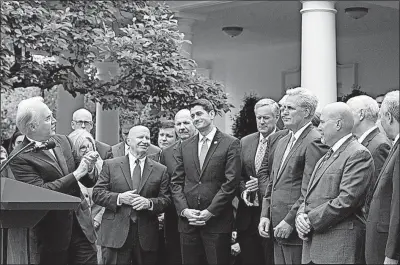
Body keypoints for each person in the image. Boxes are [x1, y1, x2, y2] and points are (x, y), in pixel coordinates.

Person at [9, 97, 98, 265]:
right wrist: (76, 174)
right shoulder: (19, 157)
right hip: (53, 233)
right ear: (33, 126)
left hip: (82, 226)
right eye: (48, 118)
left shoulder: (62, 141)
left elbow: (88, 180)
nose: (55, 120)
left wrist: (89, 166)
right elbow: (41, 191)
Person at [296, 102, 374, 264]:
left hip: (339, 249)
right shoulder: (326, 155)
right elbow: (309, 196)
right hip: (314, 248)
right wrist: (300, 216)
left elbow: (347, 200)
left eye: (323, 122)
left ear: (338, 124)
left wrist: (310, 220)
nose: (319, 127)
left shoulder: (358, 154)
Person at [258, 87, 328, 265]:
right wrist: (265, 215)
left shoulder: (315, 140)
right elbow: (272, 183)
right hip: (275, 225)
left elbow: (310, 191)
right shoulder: (282, 140)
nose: (284, 112)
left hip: (294, 229)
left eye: (290, 108)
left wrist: (289, 221)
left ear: (306, 112)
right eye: (283, 108)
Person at [170, 99, 241, 265]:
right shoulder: (184, 146)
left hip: (217, 222)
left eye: (199, 114)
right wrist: (184, 211)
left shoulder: (230, 143)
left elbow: (230, 183)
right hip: (188, 223)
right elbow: (176, 183)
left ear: (211, 114)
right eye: (193, 115)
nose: (195, 118)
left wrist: (210, 212)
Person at [93, 125, 171, 265]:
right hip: (115, 235)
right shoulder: (111, 165)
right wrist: (119, 198)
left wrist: (149, 203)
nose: (145, 141)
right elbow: (97, 193)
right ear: (128, 141)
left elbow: (166, 200)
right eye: (140, 137)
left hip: (146, 236)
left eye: (147, 138)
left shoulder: (160, 170)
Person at [235, 98, 280, 265]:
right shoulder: (245, 142)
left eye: (266, 118)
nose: (261, 122)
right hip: (248, 216)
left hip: (271, 215)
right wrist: (245, 189)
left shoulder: (285, 141)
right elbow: (237, 175)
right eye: (258, 117)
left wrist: (262, 185)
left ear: (277, 117)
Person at [365, 90, 399, 265]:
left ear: (389, 116)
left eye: (381, 116)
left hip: (386, 246)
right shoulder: (395, 144)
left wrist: (393, 253)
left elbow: (397, 203)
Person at [159, 109, 197, 265]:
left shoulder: (205, 148)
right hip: (174, 217)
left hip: (202, 215)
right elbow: (164, 186)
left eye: (186, 123)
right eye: (178, 124)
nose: (182, 127)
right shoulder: (167, 153)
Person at [347, 95, 391, 214]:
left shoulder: (379, 145)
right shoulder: (366, 142)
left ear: (361, 114)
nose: (344, 117)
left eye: (348, 112)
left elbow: (378, 191)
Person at [68, 129, 106, 263]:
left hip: (98, 224)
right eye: (82, 147)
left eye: (90, 146)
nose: (87, 150)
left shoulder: (102, 167)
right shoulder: (67, 169)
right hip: (75, 227)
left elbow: (108, 194)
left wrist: (97, 219)